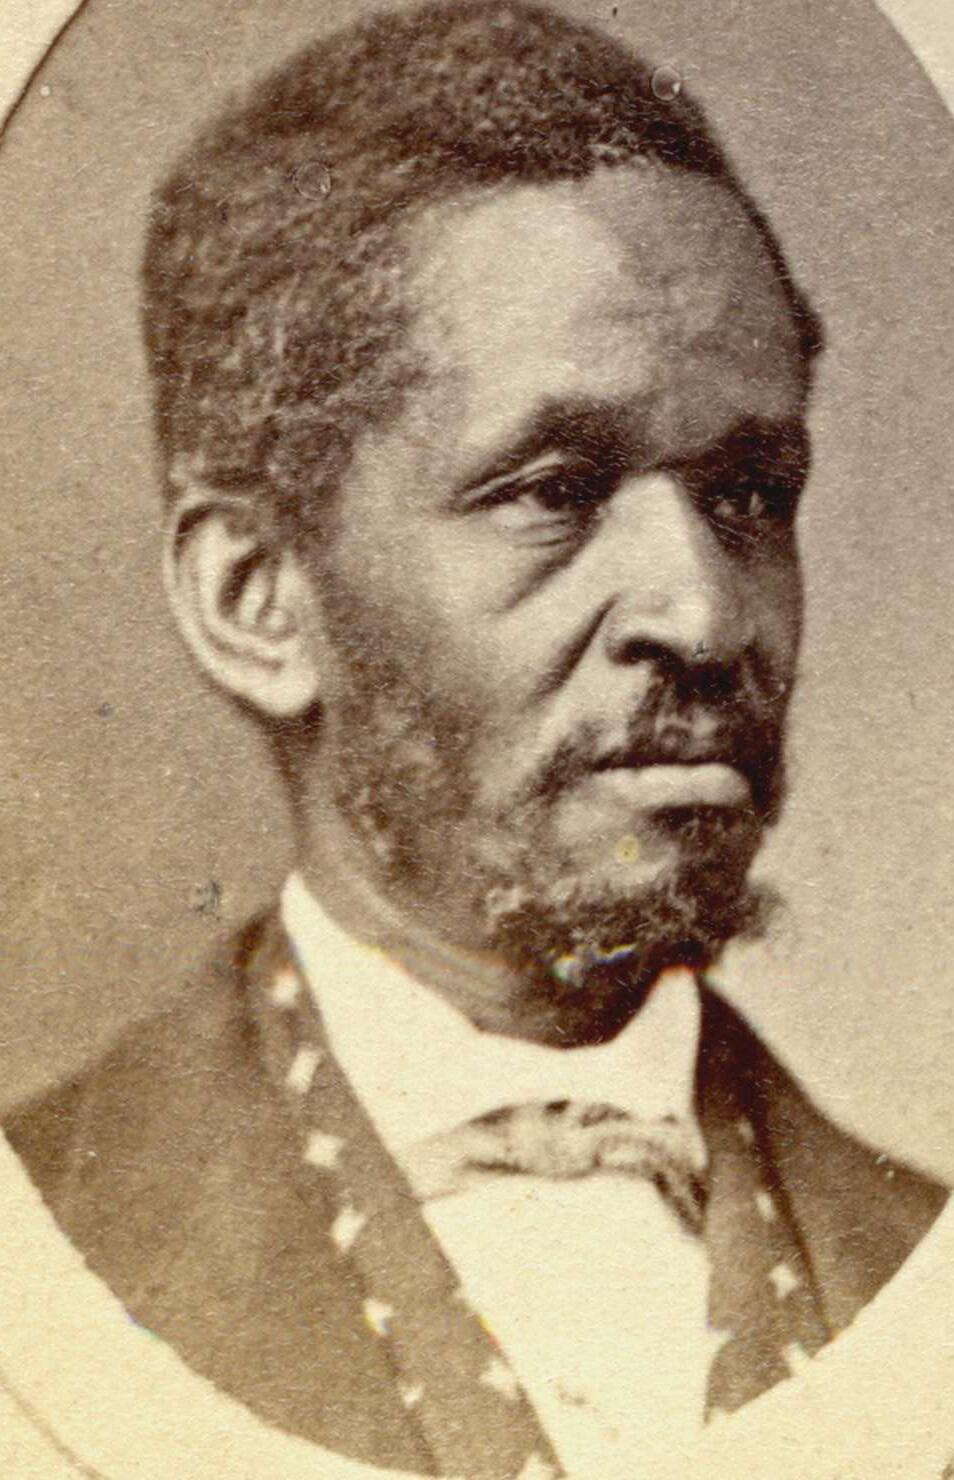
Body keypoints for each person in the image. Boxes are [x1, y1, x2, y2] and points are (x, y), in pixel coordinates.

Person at [4, 2, 948, 1476]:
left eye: (750, 494)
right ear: (257, 600)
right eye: (553, 491)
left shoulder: (918, 1268)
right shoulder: (50, 1255)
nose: (706, 613)